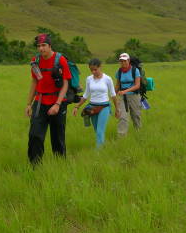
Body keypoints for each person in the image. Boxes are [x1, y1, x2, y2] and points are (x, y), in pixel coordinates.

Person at [25, 33, 72, 165]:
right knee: (35, 135)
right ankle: (35, 166)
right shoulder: (36, 61)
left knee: (57, 137)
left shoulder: (60, 60)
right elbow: (34, 82)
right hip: (40, 102)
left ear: (50, 46)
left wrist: (57, 104)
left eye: (44, 45)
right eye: (38, 46)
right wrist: (29, 104)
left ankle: (60, 164)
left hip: (58, 102)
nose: (41, 49)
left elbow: (65, 84)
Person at [72, 58, 119, 148]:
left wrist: (117, 109)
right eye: (91, 70)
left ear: (100, 67)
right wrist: (77, 106)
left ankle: (98, 153)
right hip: (92, 107)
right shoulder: (89, 79)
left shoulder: (107, 79)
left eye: (95, 69)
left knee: (100, 130)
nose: (93, 72)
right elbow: (86, 95)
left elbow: (113, 95)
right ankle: (103, 146)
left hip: (104, 107)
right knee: (96, 130)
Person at [114, 52, 142, 136]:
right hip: (123, 97)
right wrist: (113, 95)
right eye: (121, 61)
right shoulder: (119, 72)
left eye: (125, 61)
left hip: (134, 96)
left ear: (129, 60)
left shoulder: (135, 70)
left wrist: (126, 91)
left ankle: (138, 132)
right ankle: (121, 136)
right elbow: (118, 85)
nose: (123, 63)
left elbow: (137, 85)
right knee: (122, 117)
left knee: (136, 116)